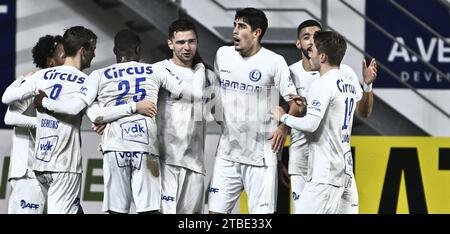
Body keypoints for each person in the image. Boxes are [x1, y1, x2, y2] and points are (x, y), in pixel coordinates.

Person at [85, 29, 204, 214]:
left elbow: (95, 115)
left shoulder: (99, 75)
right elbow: (193, 94)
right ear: (138, 50)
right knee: (149, 210)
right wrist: (199, 67)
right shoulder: (155, 70)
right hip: (145, 147)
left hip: (115, 147)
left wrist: (107, 117)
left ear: (115, 50)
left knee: (116, 211)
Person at [278, 19, 377, 214]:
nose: (311, 44)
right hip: (311, 161)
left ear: (322, 54)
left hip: (324, 167)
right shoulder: (290, 72)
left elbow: (312, 123)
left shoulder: (331, 78)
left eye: (315, 38)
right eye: (307, 37)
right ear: (299, 43)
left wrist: (283, 117)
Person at [208, 8, 298, 214]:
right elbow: (216, 92)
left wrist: (284, 127)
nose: (235, 31)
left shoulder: (274, 62)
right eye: (234, 25)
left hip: (261, 160)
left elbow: (296, 103)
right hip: (227, 154)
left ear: (256, 33)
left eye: (242, 27)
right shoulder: (222, 55)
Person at [2, 26, 99, 214]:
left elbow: (6, 97)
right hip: (34, 168)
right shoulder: (41, 80)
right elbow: (8, 114)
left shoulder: (43, 79)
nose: (65, 57)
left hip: (43, 164)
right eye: (61, 53)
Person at [155, 19, 213, 214]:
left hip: (195, 163)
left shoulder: (208, 76)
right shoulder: (158, 70)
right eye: (181, 42)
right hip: (165, 161)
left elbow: (219, 114)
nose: (187, 47)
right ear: (170, 43)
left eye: (191, 41)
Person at [3, 35, 65, 214]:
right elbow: (10, 117)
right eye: (63, 54)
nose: (68, 58)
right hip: (27, 172)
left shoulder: (58, 83)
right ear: (51, 62)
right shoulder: (34, 80)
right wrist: (41, 123)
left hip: (48, 171)